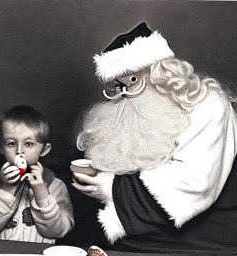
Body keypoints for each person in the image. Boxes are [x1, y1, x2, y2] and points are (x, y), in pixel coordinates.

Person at [70, 22, 237, 253]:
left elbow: (194, 180)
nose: (124, 93)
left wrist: (112, 189)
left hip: (202, 243)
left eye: (133, 82)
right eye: (118, 86)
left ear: (162, 73)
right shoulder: (129, 110)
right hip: (137, 239)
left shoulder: (208, 104)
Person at [0, 105, 74, 244]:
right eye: (11, 143)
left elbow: (59, 231)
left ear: (44, 149)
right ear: (1, 147)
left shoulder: (56, 186)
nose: (19, 151)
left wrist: (41, 193)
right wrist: (6, 189)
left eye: (29, 144)